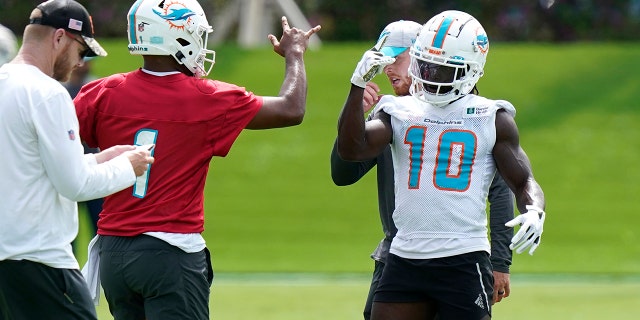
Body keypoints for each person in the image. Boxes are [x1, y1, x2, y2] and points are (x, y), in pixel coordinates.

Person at [73, 0, 321, 319]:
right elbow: (291, 109)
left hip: (113, 253)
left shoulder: (101, 92)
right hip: (169, 252)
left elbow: (55, 142)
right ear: (178, 36)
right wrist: (295, 54)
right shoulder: (207, 97)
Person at [337, 10, 546, 320]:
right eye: (426, 65)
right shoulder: (399, 109)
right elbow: (351, 150)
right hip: (405, 256)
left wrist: (534, 209)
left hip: (463, 258)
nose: (430, 75)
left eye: (442, 69)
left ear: (470, 70)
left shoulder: (491, 116)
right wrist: (357, 85)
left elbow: (522, 180)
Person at [0, 1, 155, 319]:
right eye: (82, 50)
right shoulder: (49, 93)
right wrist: (129, 166)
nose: (81, 62)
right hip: (39, 260)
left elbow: (33, 169)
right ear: (60, 38)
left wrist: (100, 160)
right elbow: (75, 185)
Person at [62, 58, 103, 242]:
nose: (85, 65)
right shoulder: (59, 91)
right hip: (67, 169)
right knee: (66, 233)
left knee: (101, 228)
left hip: (95, 169)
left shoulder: (98, 87)